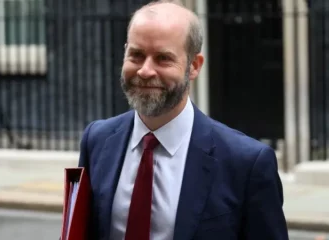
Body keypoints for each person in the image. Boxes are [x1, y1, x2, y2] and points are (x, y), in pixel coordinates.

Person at [77, 0, 289, 239]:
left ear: (194, 66)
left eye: (163, 58)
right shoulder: (97, 140)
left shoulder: (247, 163)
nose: (145, 71)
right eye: (136, 55)